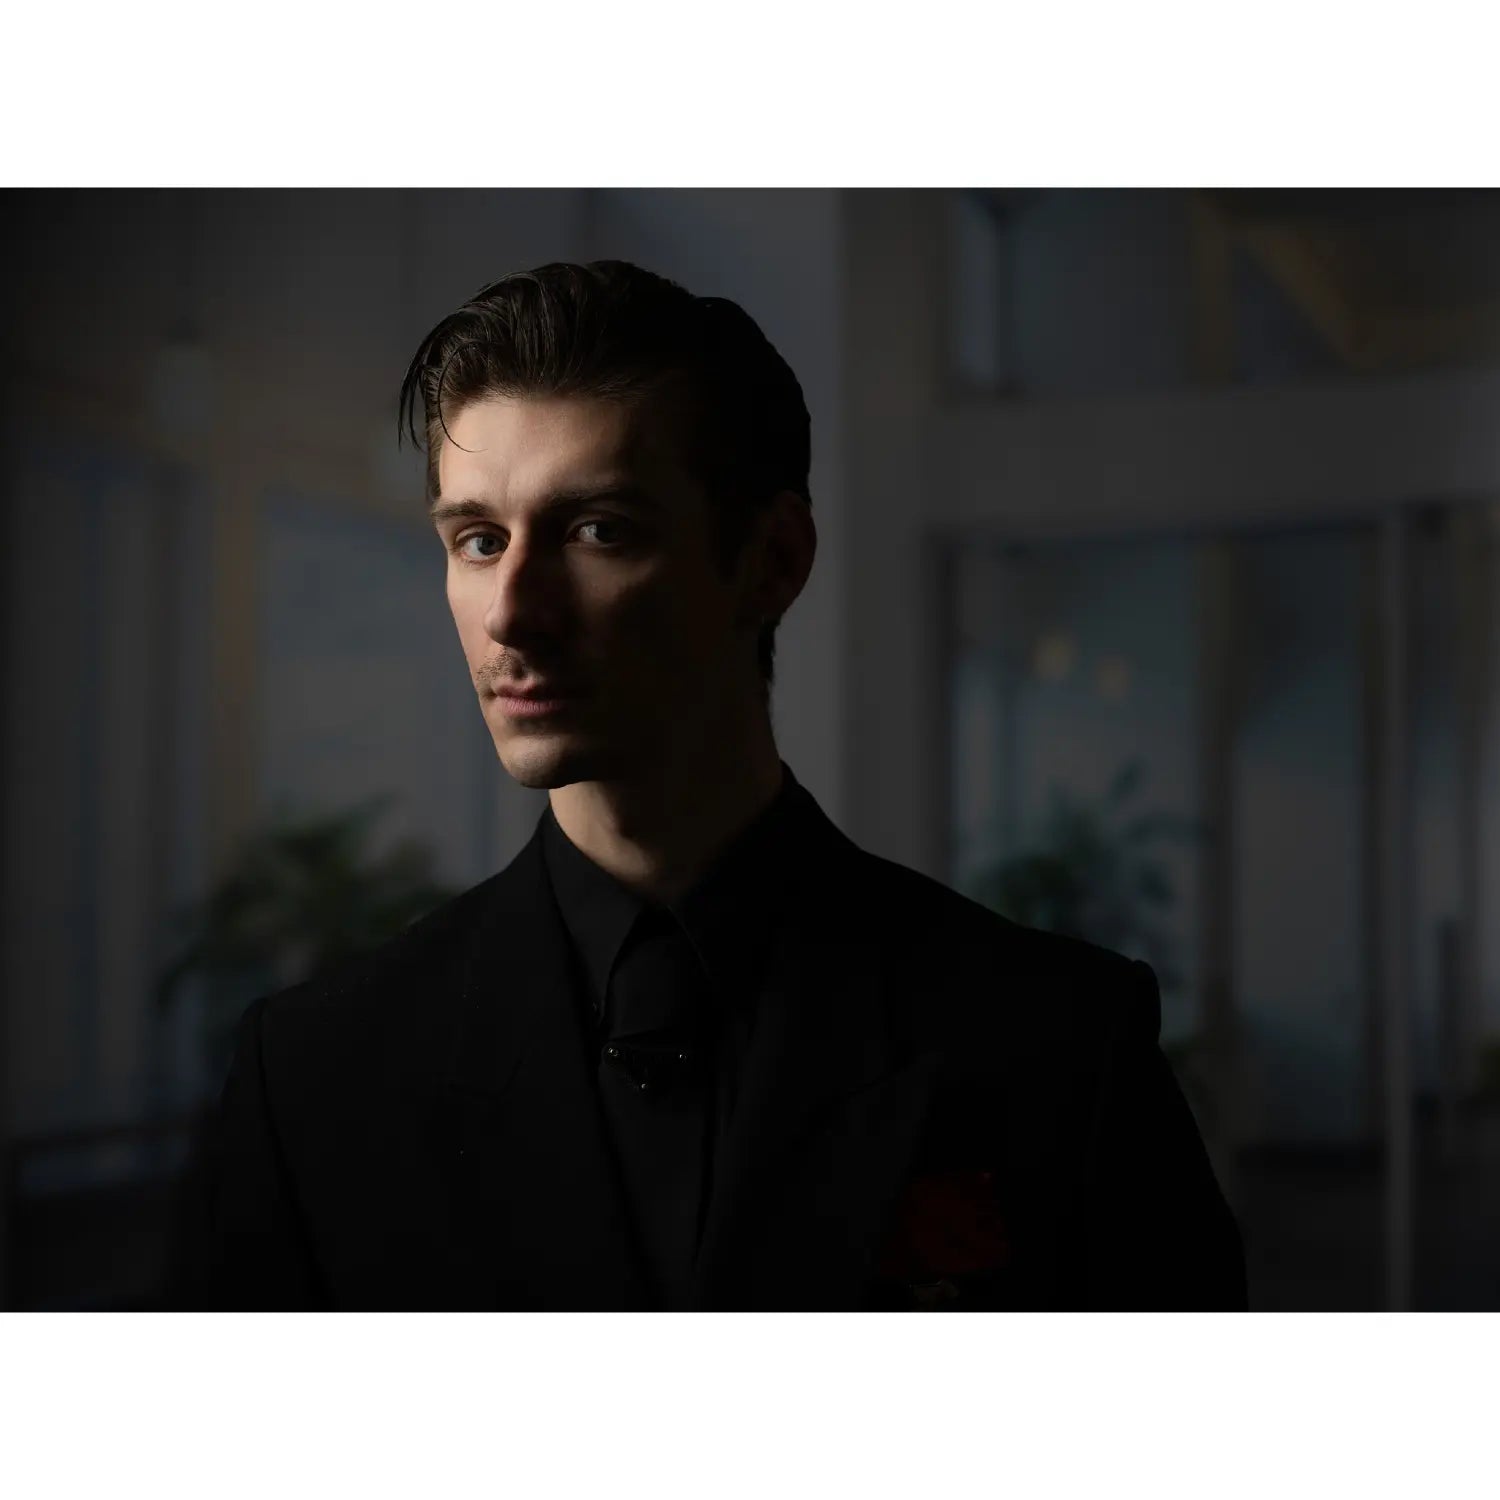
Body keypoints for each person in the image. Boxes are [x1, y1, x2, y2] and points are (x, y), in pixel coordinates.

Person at [170, 260, 1246, 1311]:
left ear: (772, 561)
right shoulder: (316, 1080)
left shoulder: (1057, 1046)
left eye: (598, 530)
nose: (512, 611)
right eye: (479, 539)